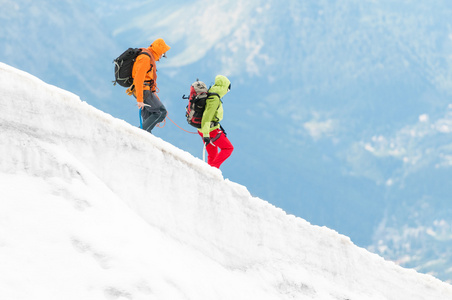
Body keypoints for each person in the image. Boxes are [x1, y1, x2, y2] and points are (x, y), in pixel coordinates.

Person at [128, 38, 171, 133]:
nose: (162, 57)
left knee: (148, 117)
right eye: (163, 54)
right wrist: (139, 99)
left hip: (144, 90)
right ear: (159, 51)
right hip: (143, 90)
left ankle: (144, 137)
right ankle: (139, 133)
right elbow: (139, 79)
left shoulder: (148, 57)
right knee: (161, 112)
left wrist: (153, 92)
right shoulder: (145, 58)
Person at [198, 75, 234, 169]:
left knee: (213, 154)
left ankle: (209, 172)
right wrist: (206, 134)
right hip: (210, 131)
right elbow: (207, 116)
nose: (227, 92)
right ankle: (213, 169)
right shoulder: (214, 98)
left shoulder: (211, 94)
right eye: (227, 89)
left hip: (204, 129)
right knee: (228, 148)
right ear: (224, 88)